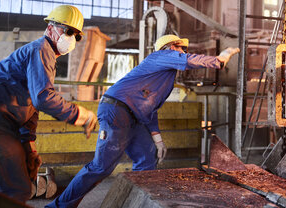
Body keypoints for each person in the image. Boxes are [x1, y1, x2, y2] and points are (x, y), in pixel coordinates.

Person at [46, 34, 239, 208]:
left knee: (147, 158)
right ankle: (58, 207)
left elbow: (150, 109)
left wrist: (158, 139)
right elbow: (188, 60)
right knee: (100, 167)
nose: (183, 53)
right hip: (116, 110)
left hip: (132, 117)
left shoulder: (164, 78)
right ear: (172, 47)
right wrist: (220, 59)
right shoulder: (159, 57)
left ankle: (135, 204)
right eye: (182, 49)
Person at [0, 5, 98, 203]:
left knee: (16, 187)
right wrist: (79, 114)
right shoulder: (41, 49)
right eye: (67, 31)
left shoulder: (47, 56)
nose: (70, 38)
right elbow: (42, 98)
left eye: (76, 35)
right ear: (50, 28)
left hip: (6, 124)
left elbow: (30, 107)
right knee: (17, 189)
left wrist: (30, 147)